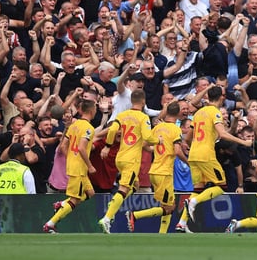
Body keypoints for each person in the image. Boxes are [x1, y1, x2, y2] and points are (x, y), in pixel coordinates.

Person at [176, 85, 251, 232]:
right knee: (221, 187)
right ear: (222, 97)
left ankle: (181, 223)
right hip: (206, 155)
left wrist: (195, 145)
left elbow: (188, 137)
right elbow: (222, 134)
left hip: (194, 155)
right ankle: (193, 202)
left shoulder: (198, 113)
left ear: (208, 97)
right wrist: (244, 142)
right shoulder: (214, 112)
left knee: (198, 189)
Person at [99, 88, 159, 233]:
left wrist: (107, 146)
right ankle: (107, 218)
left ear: (132, 101)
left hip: (120, 157)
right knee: (124, 189)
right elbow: (148, 138)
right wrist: (159, 140)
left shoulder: (122, 115)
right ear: (143, 101)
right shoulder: (143, 117)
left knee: (134, 186)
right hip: (132, 160)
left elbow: (112, 130)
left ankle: (112, 208)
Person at [126, 101, 186, 234]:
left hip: (154, 170)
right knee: (170, 207)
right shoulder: (176, 129)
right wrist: (188, 162)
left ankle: (162, 233)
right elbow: (177, 151)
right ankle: (135, 216)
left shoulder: (157, 128)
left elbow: (144, 145)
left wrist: (156, 150)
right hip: (164, 173)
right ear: (178, 114)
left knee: (166, 205)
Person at [44, 100, 97, 233]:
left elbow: (63, 146)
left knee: (90, 193)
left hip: (74, 166)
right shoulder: (88, 128)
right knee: (75, 200)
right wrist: (90, 166)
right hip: (79, 169)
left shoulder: (74, 125)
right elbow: (81, 148)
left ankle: (62, 204)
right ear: (91, 111)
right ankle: (50, 223)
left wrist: (72, 159)